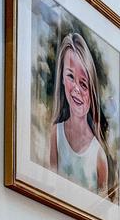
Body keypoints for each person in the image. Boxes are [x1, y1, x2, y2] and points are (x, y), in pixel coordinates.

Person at [47, 29, 111, 198]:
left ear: (92, 91)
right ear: (61, 77)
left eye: (83, 84)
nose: (76, 88)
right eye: (70, 76)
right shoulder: (55, 134)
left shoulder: (99, 156)